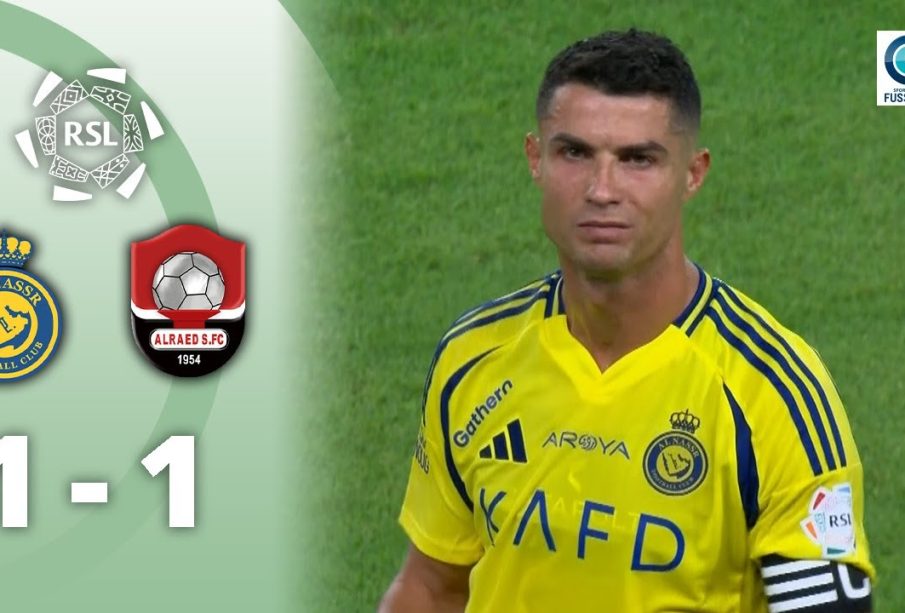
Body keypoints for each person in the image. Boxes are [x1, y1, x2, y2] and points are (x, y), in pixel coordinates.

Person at [379, 29, 874, 612]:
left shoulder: (772, 393)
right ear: (536, 159)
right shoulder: (475, 357)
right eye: (575, 153)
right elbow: (432, 586)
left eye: (638, 159)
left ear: (693, 173)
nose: (602, 190)